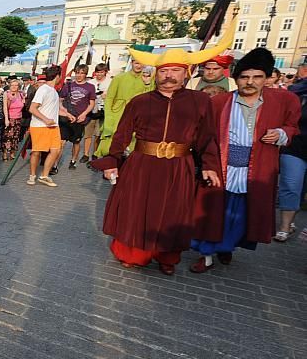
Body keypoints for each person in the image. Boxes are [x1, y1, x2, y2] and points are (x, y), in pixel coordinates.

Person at [91, 36, 233, 275]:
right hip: (141, 165)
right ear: (156, 73)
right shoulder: (140, 101)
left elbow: (207, 136)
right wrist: (113, 161)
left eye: (175, 70)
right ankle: (133, 254)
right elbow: (122, 134)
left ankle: (167, 257)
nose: (169, 75)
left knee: (173, 213)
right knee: (136, 210)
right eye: (164, 70)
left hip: (179, 166)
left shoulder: (199, 101)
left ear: (186, 73)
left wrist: (209, 165)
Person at [191, 48, 300, 272]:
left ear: (267, 78)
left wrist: (281, 134)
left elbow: (292, 127)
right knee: (213, 211)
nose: (250, 82)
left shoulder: (283, 100)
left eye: (257, 77)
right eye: (244, 77)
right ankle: (207, 254)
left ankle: (226, 247)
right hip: (222, 166)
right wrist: (208, 166)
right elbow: (206, 137)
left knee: (241, 214)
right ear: (236, 78)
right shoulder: (219, 102)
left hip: (257, 168)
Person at [95, 49, 154, 157]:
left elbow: (150, 99)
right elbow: (109, 98)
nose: (139, 66)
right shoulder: (119, 78)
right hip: (118, 114)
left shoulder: (149, 80)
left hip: (137, 117)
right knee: (111, 148)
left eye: (141, 63)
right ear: (131, 62)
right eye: (136, 63)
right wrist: (109, 118)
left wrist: (147, 83)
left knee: (132, 148)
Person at [274, 68, 307, 242]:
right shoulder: (297, 92)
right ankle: (285, 226)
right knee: (291, 185)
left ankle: (293, 220)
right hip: (296, 147)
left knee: (301, 189)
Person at [27, 68, 63, 187]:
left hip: (53, 126)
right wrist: (46, 120)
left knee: (55, 150)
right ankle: (32, 175)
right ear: (57, 76)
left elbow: (53, 109)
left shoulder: (53, 91)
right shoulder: (43, 89)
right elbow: (32, 108)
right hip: (40, 126)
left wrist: (68, 114)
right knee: (36, 152)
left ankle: (44, 176)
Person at [57, 64, 95, 171]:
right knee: (61, 142)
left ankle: (73, 160)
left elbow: (92, 103)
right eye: (77, 73)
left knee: (76, 142)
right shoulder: (68, 85)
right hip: (67, 118)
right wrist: (64, 111)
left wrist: (84, 114)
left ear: (85, 74)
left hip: (80, 119)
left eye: (82, 73)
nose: (79, 75)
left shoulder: (90, 87)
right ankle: (55, 164)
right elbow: (60, 100)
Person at [81, 63, 111, 164]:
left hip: (103, 111)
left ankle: (95, 154)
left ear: (105, 72)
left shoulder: (110, 82)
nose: (99, 74)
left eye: (101, 72)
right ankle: (85, 154)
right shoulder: (91, 82)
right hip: (91, 111)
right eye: (97, 72)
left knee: (98, 134)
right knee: (88, 134)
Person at [2, 79, 25, 161]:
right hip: (10, 118)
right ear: (9, 86)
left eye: (16, 85)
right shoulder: (7, 94)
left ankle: (12, 152)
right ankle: (5, 153)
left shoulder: (21, 94)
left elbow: (23, 105)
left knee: (15, 137)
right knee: (8, 137)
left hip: (18, 118)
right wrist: (6, 119)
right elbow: (5, 107)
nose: (14, 87)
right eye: (12, 85)